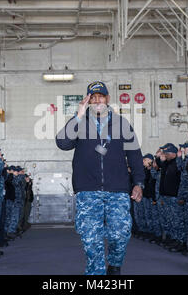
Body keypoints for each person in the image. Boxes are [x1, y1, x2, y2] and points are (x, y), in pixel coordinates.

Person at [56, 81, 145, 275]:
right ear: (87, 100)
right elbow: (62, 143)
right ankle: (96, 274)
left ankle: (114, 263)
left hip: (118, 189)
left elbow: (135, 156)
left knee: (120, 234)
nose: (97, 101)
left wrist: (138, 183)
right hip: (87, 190)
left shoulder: (122, 124)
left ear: (108, 99)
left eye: (101, 97)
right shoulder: (79, 123)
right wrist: (77, 116)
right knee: (91, 238)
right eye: (93, 97)